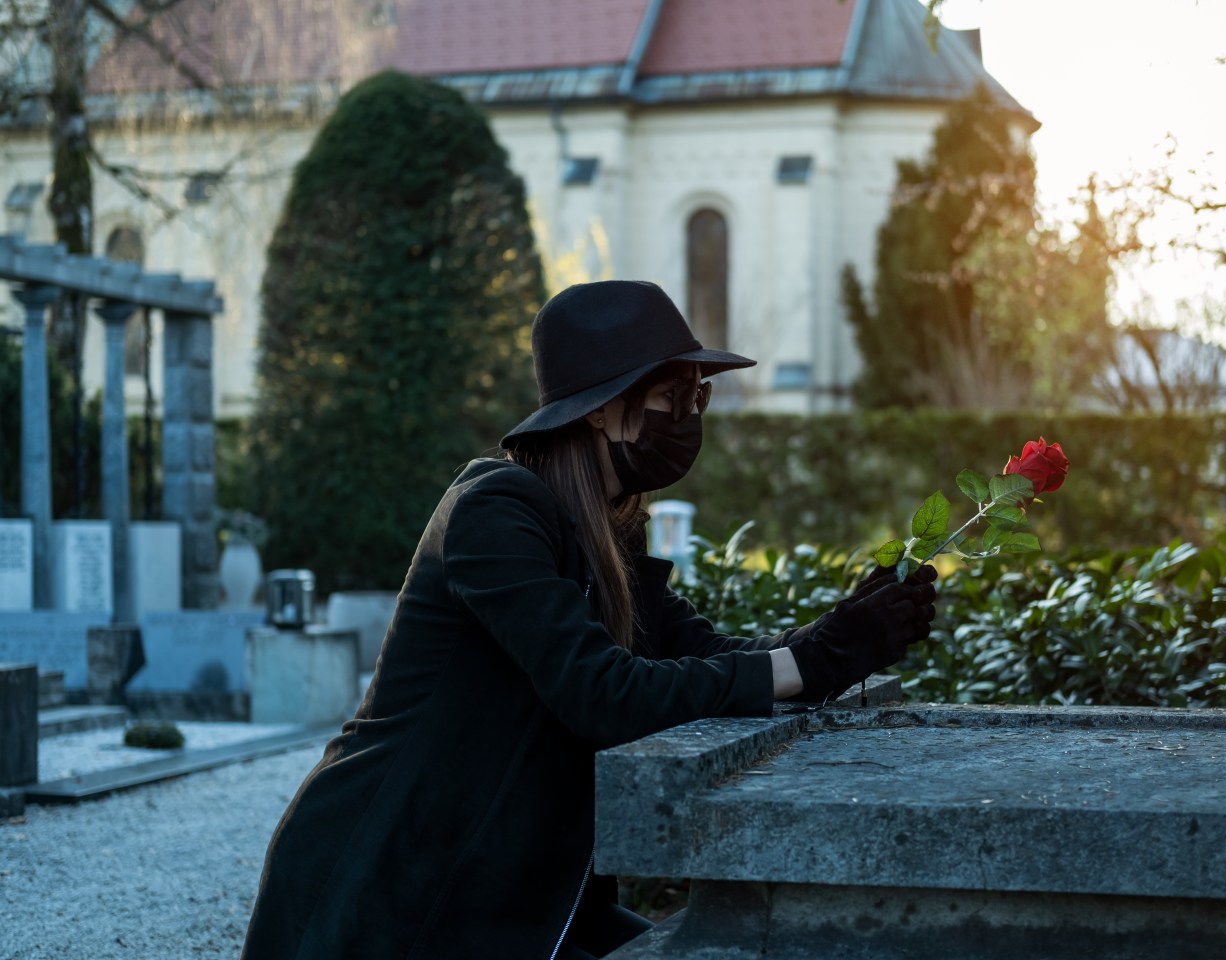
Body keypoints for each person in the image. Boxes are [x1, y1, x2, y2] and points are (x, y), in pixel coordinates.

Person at [240, 280, 937, 960]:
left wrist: (844, 638)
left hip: (514, 894)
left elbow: (702, 653)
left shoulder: (608, 532)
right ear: (602, 409)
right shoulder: (495, 512)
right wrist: (811, 662)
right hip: (391, 886)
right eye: (673, 395)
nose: (691, 414)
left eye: (701, 395)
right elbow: (602, 694)